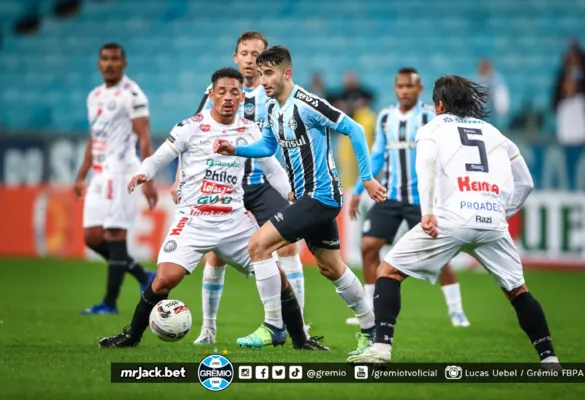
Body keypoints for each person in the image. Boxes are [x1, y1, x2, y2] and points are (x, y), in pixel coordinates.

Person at [99, 68, 326, 350]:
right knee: (164, 280)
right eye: (222, 92)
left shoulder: (250, 130)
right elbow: (159, 158)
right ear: (211, 95)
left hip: (235, 222)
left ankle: (300, 340)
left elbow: (274, 171)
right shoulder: (189, 127)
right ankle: (131, 336)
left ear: (242, 97)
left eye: (234, 92)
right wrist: (143, 172)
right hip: (193, 221)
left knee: (277, 276)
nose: (228, 98)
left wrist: (293, 195)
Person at [348, 76, 559, 368]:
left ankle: (381, 349)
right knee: (518, 291)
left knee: (389, 270)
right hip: (492, 222)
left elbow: (426, 168)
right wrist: (502, 212)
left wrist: (428, 212)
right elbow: (526, 183)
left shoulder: (431, 128)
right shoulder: (495, 133)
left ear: (438, 104)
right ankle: (549, 358)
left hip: (450, 219)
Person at [213, 46, 387, 354]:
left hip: (321, 197)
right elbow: (267, 146)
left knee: (258, 245)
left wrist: (367, 177)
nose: (263, 79)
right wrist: (235, 150)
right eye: (260, 72)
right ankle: (371, 328)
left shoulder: (308, 104)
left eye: (269, 73)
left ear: (286, 73)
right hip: (307, 197)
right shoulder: (271, 108)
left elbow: (355, 129)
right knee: (331, 266)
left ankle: (273, 326)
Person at [170, 32, 308, 345]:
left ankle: (297, 325)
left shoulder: (273, 92)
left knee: (287, 246)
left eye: (255, 54)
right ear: (236, 57)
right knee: (215, 255)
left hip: (261, 185)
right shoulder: (216, 91)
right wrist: (180, 178)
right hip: (223, 185)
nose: (249, 59)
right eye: (243, 53)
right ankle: (208, 329)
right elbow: (193, 137)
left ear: (264, 60)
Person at [347, 68, 470, 328]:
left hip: (422, 201)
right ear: (395, 89)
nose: (404, 91)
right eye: (400, 86)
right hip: (390, 196)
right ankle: (370, 310)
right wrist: (359, 190)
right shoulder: (385, 117)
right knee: (369, 246)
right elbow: (377, 155)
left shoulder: (431, 117)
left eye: (409, 86)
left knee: (440, 256)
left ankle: (456, 310)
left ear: (419, 88)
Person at [75, 43, 157, 315]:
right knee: (92, 237)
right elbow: (93, 137)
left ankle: (109, 303)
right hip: (99, 174)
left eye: (114, 59)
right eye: (105, 59)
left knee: (114, 235)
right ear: (99, 63)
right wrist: (82, 173)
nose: (109, 64)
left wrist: (149, 180)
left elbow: (144, 139)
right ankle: (143, 276)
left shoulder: (133, 95)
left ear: (124, 64)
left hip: (122, 171)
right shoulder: (94, 96)